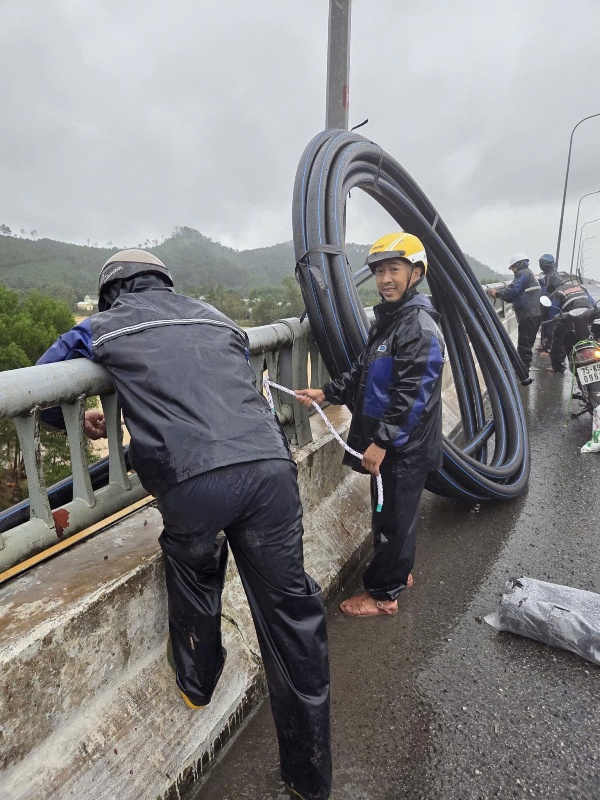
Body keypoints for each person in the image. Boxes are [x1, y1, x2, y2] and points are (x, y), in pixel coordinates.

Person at [36, 249, 331, 800]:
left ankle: (198, 683)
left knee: (195, 570)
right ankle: (310, 777)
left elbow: (39, 386)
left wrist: (75, 415)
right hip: (269, 467)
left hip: (193, 481)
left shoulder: (100, 326)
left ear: (111, 292)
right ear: (166, 282)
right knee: (292, 614)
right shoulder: (217, 317)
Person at [296, 232, 445, 618]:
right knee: (395, 514)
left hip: (402, 446)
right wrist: (326, 392)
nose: (385, 279)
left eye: (394, 269)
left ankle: (383, 594)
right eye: (379, 271)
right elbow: (365, 372)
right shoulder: (393, 320)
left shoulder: (417, 326)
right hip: (396, 442)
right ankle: (400, 571)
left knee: (391, 519)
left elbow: (412, 396)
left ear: (416, 273)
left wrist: (381, 443)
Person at [488, 253, 541, 372]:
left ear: (519, 264)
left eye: (513, 267)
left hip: (528, 314)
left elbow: (513, 289)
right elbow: (515, 296)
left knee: (524, 344)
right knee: (527, 343)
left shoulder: (523, 274)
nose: (512, 271)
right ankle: (524, 367)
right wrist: (502, 296)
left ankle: (523, 371)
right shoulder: (529, 274)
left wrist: (497, 294)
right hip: (534, 313)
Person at [547, 280, 594, 374]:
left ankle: (558, 367)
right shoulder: (580, 287)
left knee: (558, 338)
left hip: (571, 315)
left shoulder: (557, 292)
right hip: (588, 313)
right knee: (588, 338)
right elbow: (592, 302)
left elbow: (553, 313)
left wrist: (549, 333)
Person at [537, 253, 561, 352]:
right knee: (546, 325)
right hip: (547, 303)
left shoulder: (553, 276)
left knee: (550, 325)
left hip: (552, 304)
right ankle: (546, 345)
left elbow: (549, 291)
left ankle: (549, 347)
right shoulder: (548, 275)